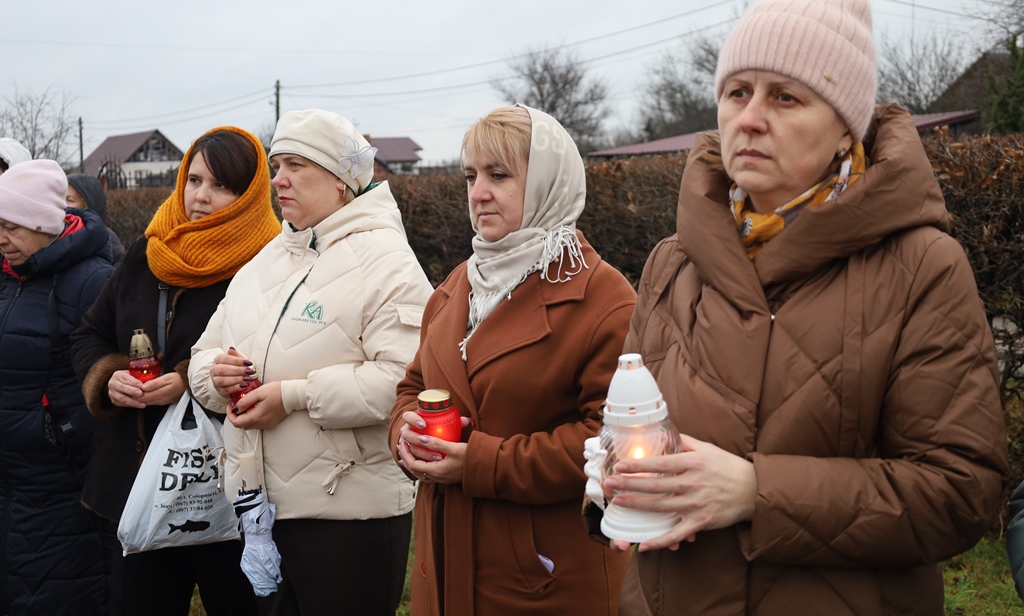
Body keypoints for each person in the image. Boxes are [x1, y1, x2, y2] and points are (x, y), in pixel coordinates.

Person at [583, 0, 1009, 615]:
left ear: (844, 131)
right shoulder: (671, 263)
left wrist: (756, 492)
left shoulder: (921, 265)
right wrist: (612, 478)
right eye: (737, 92)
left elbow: (959, 491)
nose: (751, 118)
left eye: (786, 96)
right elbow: (632, 425)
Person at [389, 105, 636, 615]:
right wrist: (405, 434)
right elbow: (413, 385)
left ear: (548, 183)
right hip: (444, 564)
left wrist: (479, 464)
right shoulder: (458, 284)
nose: (478, 193)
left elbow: (612, 441)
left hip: (544, 580)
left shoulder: (604, 298)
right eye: (471, 176)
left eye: (498, 175)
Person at [189, 109, 433, 616]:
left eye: (296, 166)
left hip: (349, 519)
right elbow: (202, 356)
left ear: (341, 180)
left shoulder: (388, 261)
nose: (278, 180)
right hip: (262, 512)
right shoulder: (265, 261)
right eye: (277, 166)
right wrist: (214, 374)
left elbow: (404, 380)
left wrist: (293, 396)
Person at [71, 126, 278, 616]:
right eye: (195, 180)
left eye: (222, 186)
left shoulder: (270, 263)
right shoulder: (148, 252)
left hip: (232, 484)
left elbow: (276, 356)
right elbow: (89, 334)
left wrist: (189, 381)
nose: (201, 197)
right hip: (141, 479)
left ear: (250, 195)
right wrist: (109, 377)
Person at [0, 159, 114, 615]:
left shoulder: (93, 281)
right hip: (8, 477)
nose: (1, 238)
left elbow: (114, 369)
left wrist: (62, 432)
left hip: (63, 483)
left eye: (11, 227)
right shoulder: (6, 277)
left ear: (45, 225)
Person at [67, 172, 127, 265]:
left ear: (89, 205)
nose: (62, 205)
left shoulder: (108, 242)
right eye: (60, 198)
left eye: (69, 200)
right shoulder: (54, 236)